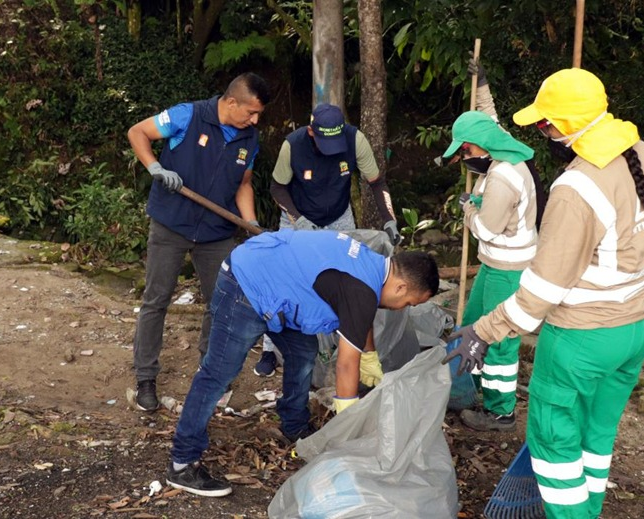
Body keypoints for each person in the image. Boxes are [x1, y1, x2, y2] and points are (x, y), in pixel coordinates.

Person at [443, 68, 644, 518]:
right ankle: (588, 509)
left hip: (584, 337)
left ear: (565, 127)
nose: (542, 133)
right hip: (638, 326)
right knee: (595, 436)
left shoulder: (576, 187)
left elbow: (543, 288)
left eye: (545, 124)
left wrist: (484, 331)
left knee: (552, 441)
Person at [165, 229, 439, 497]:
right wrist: (348, 425)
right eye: (409, 303)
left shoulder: (373, 266)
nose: (404, 308)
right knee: (219, 373)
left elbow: (359, 316)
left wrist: (369, 356)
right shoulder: (362, 288)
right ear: (401, 286)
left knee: (303, 351)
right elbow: (345, 365)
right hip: (247, 284)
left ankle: (293, 424)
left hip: (276, 284)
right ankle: (182, 463)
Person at [127, 72, 270, 413]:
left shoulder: (249, 139)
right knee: (156, 300)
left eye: (258, 115)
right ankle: (145, 379)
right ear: (231, 102)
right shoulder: (187, 115)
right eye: (250, 112)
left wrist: (249, 222)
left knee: (220, 302)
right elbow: (138, 132)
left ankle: (212, 372)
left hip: (216, 232)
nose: (254, 120)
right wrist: (155, 168)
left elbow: (244, 183)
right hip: (171, 223)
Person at [253, 103, 401, 377]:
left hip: (339, 216)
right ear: (311, 132)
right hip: (298, 217)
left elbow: (376, 182)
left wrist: (388, 218)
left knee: (349, 279)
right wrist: (298, 219)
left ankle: (343, 344)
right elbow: (277, 188)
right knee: (284, 277)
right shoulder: (293, 145)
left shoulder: (355, 140)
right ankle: (269, 349)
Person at [441, 73, 540, 431]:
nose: (466, 158)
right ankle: (472, 387)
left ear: (481, 146)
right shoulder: (502, 147)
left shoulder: (502, 177)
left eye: (466, 151)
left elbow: (485, 228)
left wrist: (468, 206)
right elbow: (490, 118)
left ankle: (500, 411)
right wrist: (481, 85)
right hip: (493, 263)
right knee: (471, 325)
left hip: (509, 267)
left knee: (498, 339)